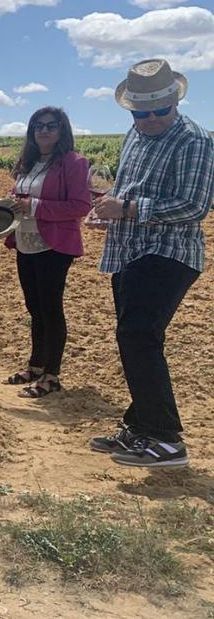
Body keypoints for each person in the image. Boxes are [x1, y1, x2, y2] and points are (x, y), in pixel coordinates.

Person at [87, 58, 213, 468]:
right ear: (131, 110)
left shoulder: (195, 140)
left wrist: (125, 208)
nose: (152, 118)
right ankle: (141, 428)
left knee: (139, 335)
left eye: (161, 110)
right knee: (134, 336)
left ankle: (166, 440)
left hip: (169, 252)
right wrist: (106, 208)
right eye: (142, 112)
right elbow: (124, 190)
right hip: (129, 251)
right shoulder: (135, 135)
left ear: (176, 102)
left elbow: (194, 207)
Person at [2, 107, 90, 398]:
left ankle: (52, 375)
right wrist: (14, 203)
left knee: (51, 309)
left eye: (51, 126)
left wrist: (34, 206)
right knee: (34, 307)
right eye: (38, 126)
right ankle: (36, 365)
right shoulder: (29, 162)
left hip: (53, 245)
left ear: (62, 130)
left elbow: (80, 206)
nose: (44, 130)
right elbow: (23, 197)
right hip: (25, 241)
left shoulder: (74, 163)